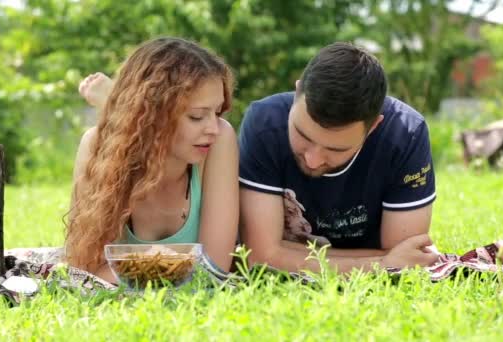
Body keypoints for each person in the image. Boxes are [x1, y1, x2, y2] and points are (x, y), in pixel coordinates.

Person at [238, 42, 440, 273]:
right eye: (302, 134)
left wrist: (285, 252)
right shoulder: (264, 123)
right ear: (297, 93)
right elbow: (260, 257)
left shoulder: (406, 134)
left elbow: (405, 255)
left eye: (336, 150)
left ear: (373, 127)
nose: (313, 160)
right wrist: (380, 264)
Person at [66, 37, 239, 283]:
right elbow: (85, 271)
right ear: (152, 116)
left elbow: (213, 268)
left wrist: (129, 268)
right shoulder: (97, 146)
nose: (212, 127)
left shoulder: (219, 140)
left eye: (217, 111)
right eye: (197, 116)